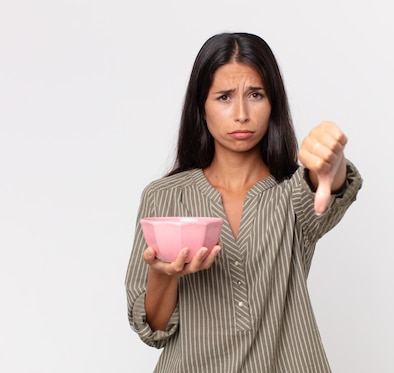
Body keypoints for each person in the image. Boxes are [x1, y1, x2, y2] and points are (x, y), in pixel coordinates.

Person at [125, 32, 363, 372]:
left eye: (255, 94)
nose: (241, 114)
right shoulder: (163, 197)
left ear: (273, 103)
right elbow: (154, 331)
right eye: (224, 97)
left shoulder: (290, 192)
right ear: (201, 107)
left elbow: (324, 183)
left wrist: (331, 160)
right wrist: (163, 275)